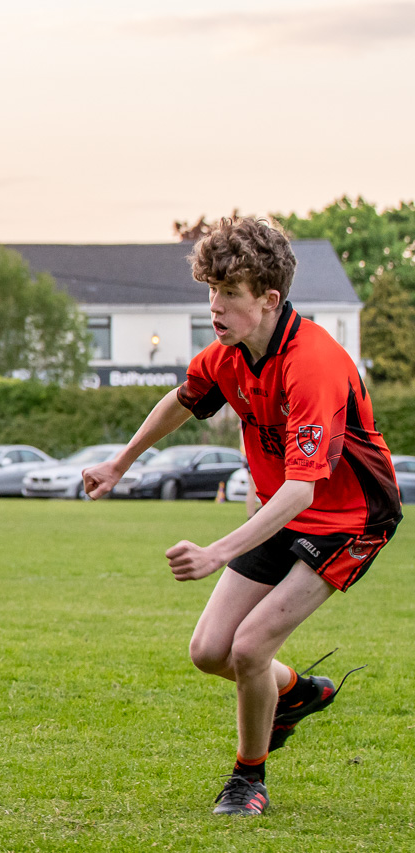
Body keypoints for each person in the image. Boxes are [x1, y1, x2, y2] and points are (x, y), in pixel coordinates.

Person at [82, 218, 401, 817]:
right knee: (209, 651)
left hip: (351, 519)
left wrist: (216, 551)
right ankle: (296, 692)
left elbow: (303, 493)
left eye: (230, 293)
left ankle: (247, 780)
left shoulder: (315, 364)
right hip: (288, 509)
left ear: (270, 299)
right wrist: (120, 462)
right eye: (211, 291)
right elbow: (181, 400)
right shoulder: (228, 356)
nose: (215, 306)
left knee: (250, 648)